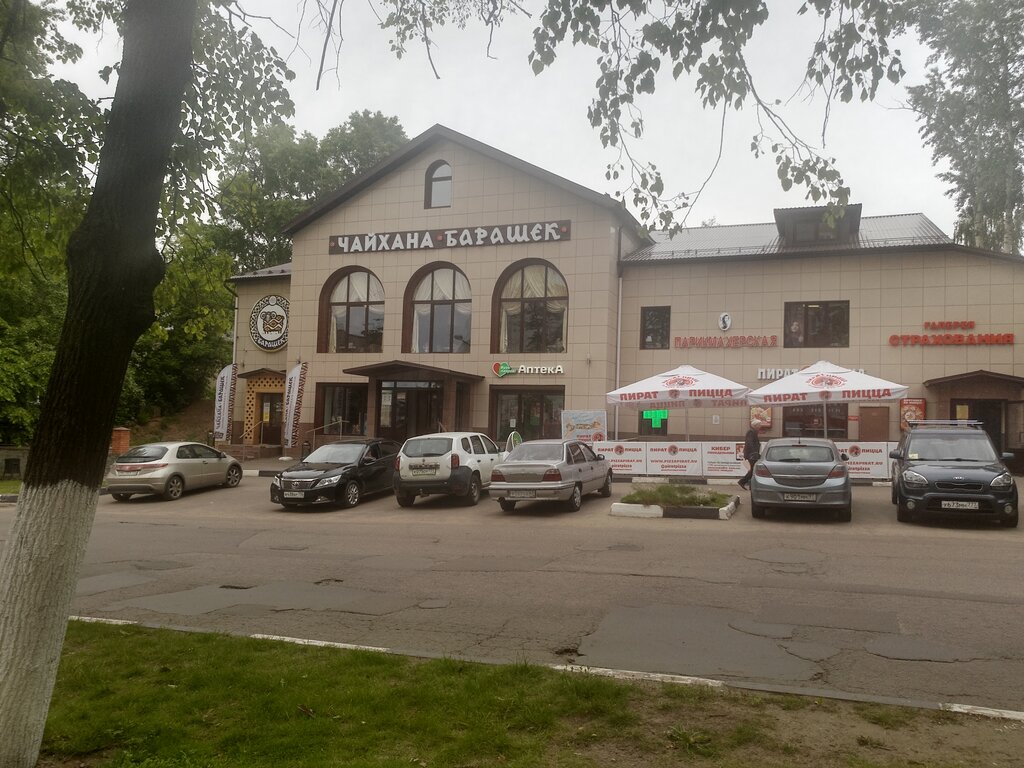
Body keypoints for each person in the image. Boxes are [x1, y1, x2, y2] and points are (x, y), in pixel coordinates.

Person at [738, 419, 766, 490]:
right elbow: (750, 442)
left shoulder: (753, 432)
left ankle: (745, 482)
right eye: (759, 425)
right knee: (753, 470)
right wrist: (754, 452)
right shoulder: (751, 432)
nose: (760, 426)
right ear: (756, 425)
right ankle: (743, 481)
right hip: (752, 454)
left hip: (752, 454)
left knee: (753, 469)